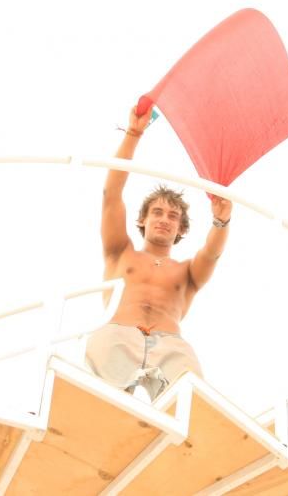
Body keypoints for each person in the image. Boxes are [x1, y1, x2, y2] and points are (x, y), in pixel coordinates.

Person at [85, 104, 232, 401]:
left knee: (193, 404)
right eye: (157, 212)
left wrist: (221, 220)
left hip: (170, 344)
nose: (165, 219)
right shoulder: (120, 251)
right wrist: (133, 133)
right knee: (100, 405)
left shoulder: (187, 272)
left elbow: (212, 253)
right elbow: (111, 195)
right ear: (143, 219)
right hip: (118, 334)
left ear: (181, 228)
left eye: (173, 216)